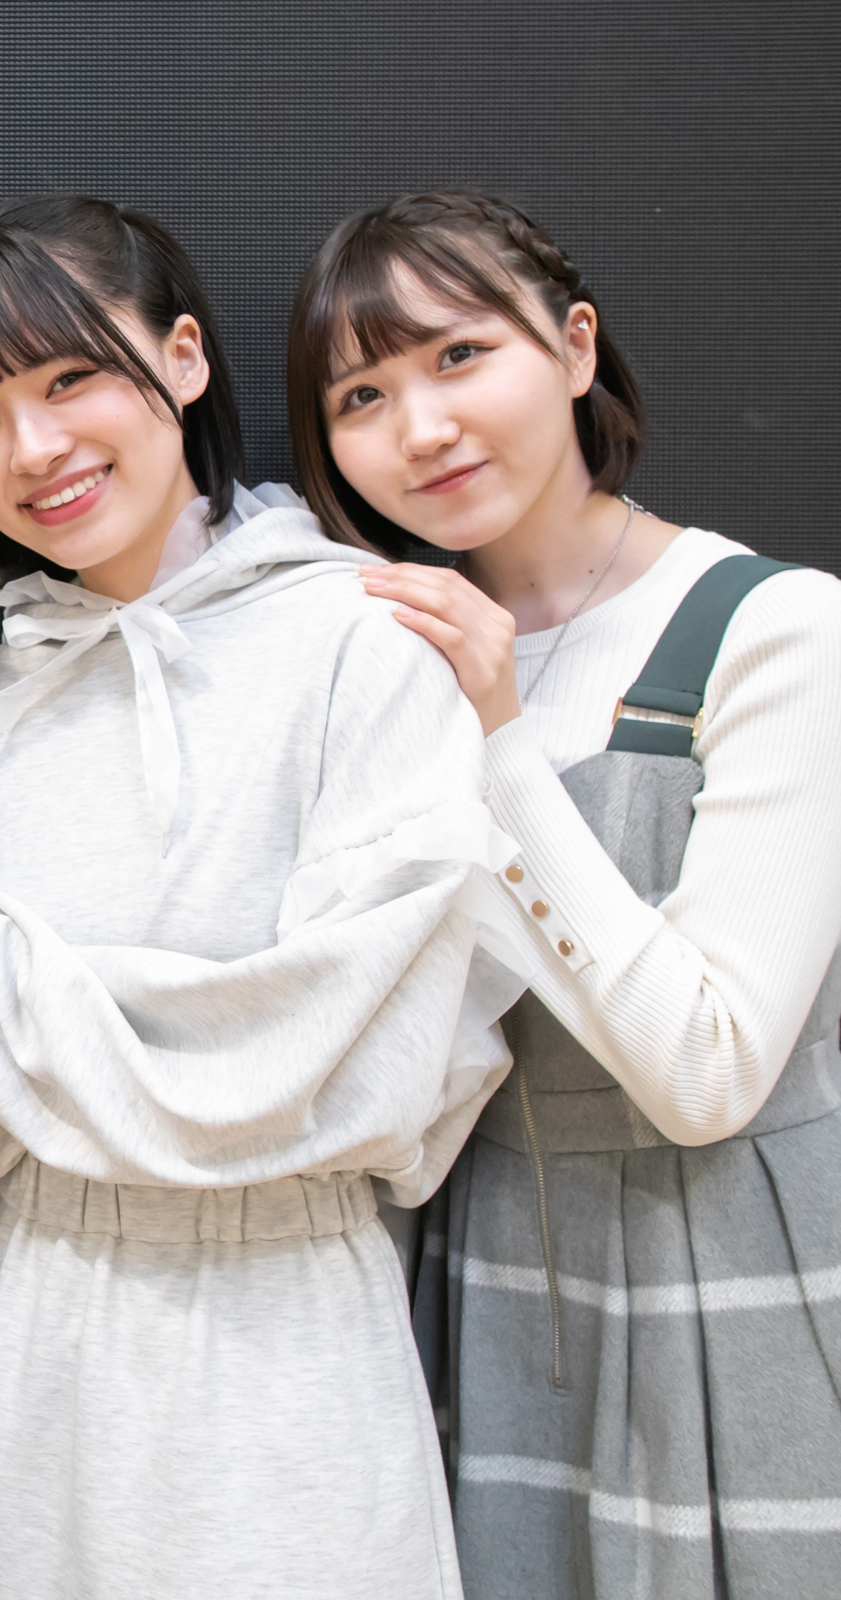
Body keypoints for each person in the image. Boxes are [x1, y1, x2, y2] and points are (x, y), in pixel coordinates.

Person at [0, 194, 517, 1599]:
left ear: (184, 356)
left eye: (69, 378)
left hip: (293, 1352)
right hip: (24, 1366)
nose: (34, 449)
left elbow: (347, 1069)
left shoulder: (369, 638)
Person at [289, 187, 841, 1599]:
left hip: (732, 1271)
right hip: (483, 1281)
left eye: (461, 355)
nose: (421, 427)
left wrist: (499, 735)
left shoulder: (776, 629)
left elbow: (711, 1071)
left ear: (576, 347)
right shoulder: (373, 663)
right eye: (362, 395)